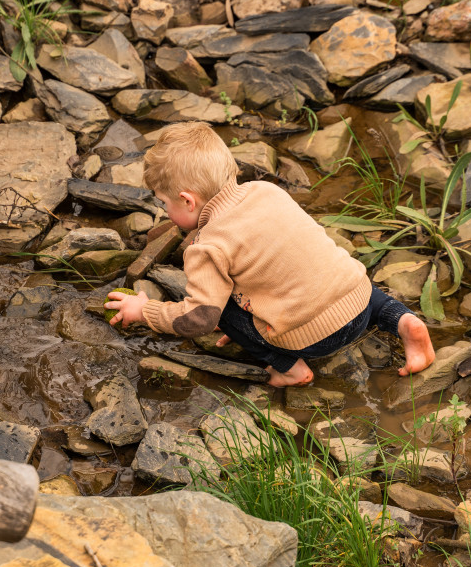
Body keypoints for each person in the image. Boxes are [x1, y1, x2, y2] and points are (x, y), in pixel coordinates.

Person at [105, 121, 436, 387]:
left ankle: (290, 368)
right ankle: (403, 321)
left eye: (164, 203)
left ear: (188, 200)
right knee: (336, 273)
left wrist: (145, 310)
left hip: (313, 340)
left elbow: (198, 320)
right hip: (360, 305)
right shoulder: (265, 190)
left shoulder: (206, 246)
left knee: (217, 312)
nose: (165, 211)